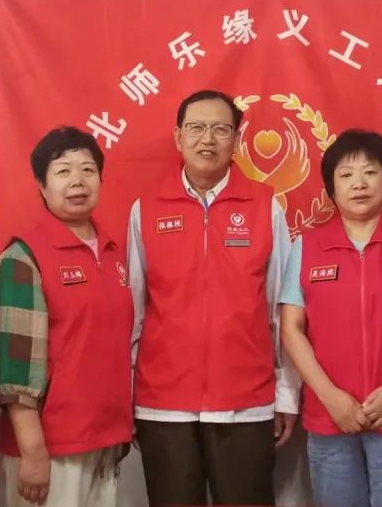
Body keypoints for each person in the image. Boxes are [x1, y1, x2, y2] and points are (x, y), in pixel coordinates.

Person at [127, 90, 300, 506]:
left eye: (221, 129)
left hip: (247, 402)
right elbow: (133, 311)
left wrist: (286, 393)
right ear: (178, 136)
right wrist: (125, 394)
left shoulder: (265, 207)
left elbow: (282, 311)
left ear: (236, 139)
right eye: (197, 128)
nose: (208, 139)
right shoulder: (145, 209)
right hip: (163, 405)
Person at [278, 129, 382, 507]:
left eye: (371, 172)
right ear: (331, 189)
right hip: (330, 419)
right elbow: (291, 329)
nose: (359, 183)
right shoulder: (306, 247)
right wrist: (330, 397)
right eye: (346, 175)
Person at [0, 127, 133, 507]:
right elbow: (16, 371)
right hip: (50, 448)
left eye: (88, 170)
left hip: (104, 439)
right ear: (41, 184)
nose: (77, 181)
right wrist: (33, 452)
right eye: (63, 171)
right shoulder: (23, 258)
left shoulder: (112, 253)